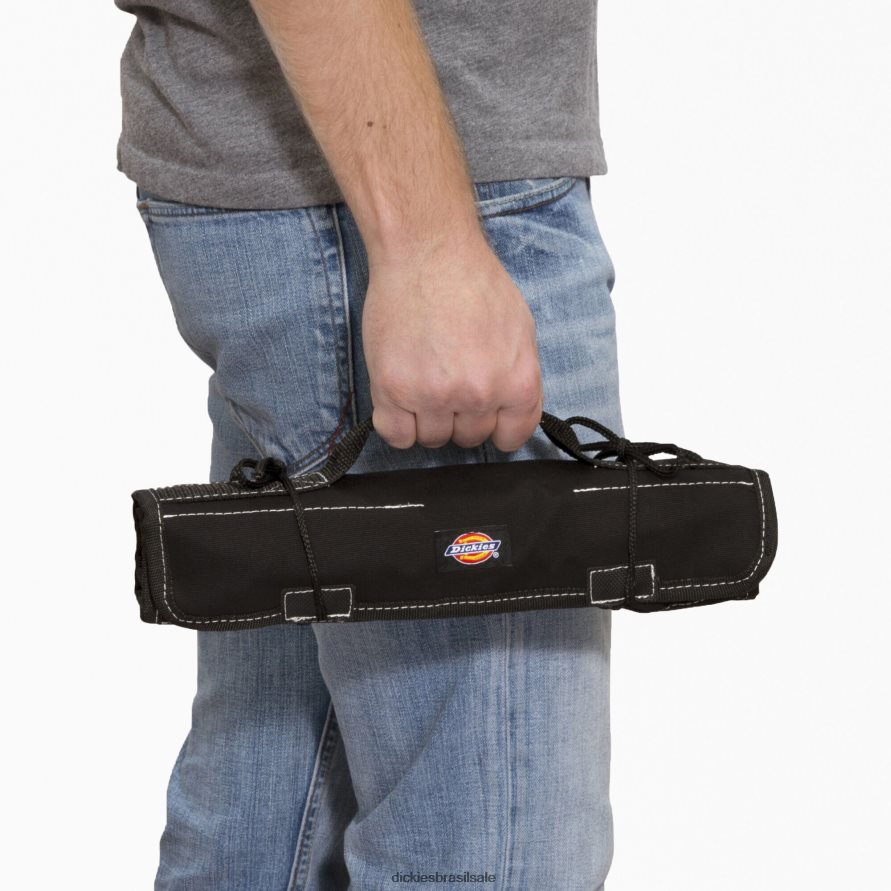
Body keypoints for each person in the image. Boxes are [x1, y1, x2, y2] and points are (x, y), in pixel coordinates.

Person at [116, 1, 623, 888]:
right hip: (402, 192)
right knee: (487, 855)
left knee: (269, 823)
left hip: (328, 179)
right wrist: (424, 244)